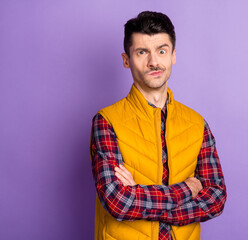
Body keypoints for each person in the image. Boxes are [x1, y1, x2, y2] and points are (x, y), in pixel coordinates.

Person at [90, 11, 227, 240]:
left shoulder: (197, 123)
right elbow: (119, 203)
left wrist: (139, 196)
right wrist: (188, 190)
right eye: (142, 52)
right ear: (126, 60)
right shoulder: (107, 121)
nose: (154, 61)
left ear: (173, 55)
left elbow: (216, 198)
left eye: (161, 51)